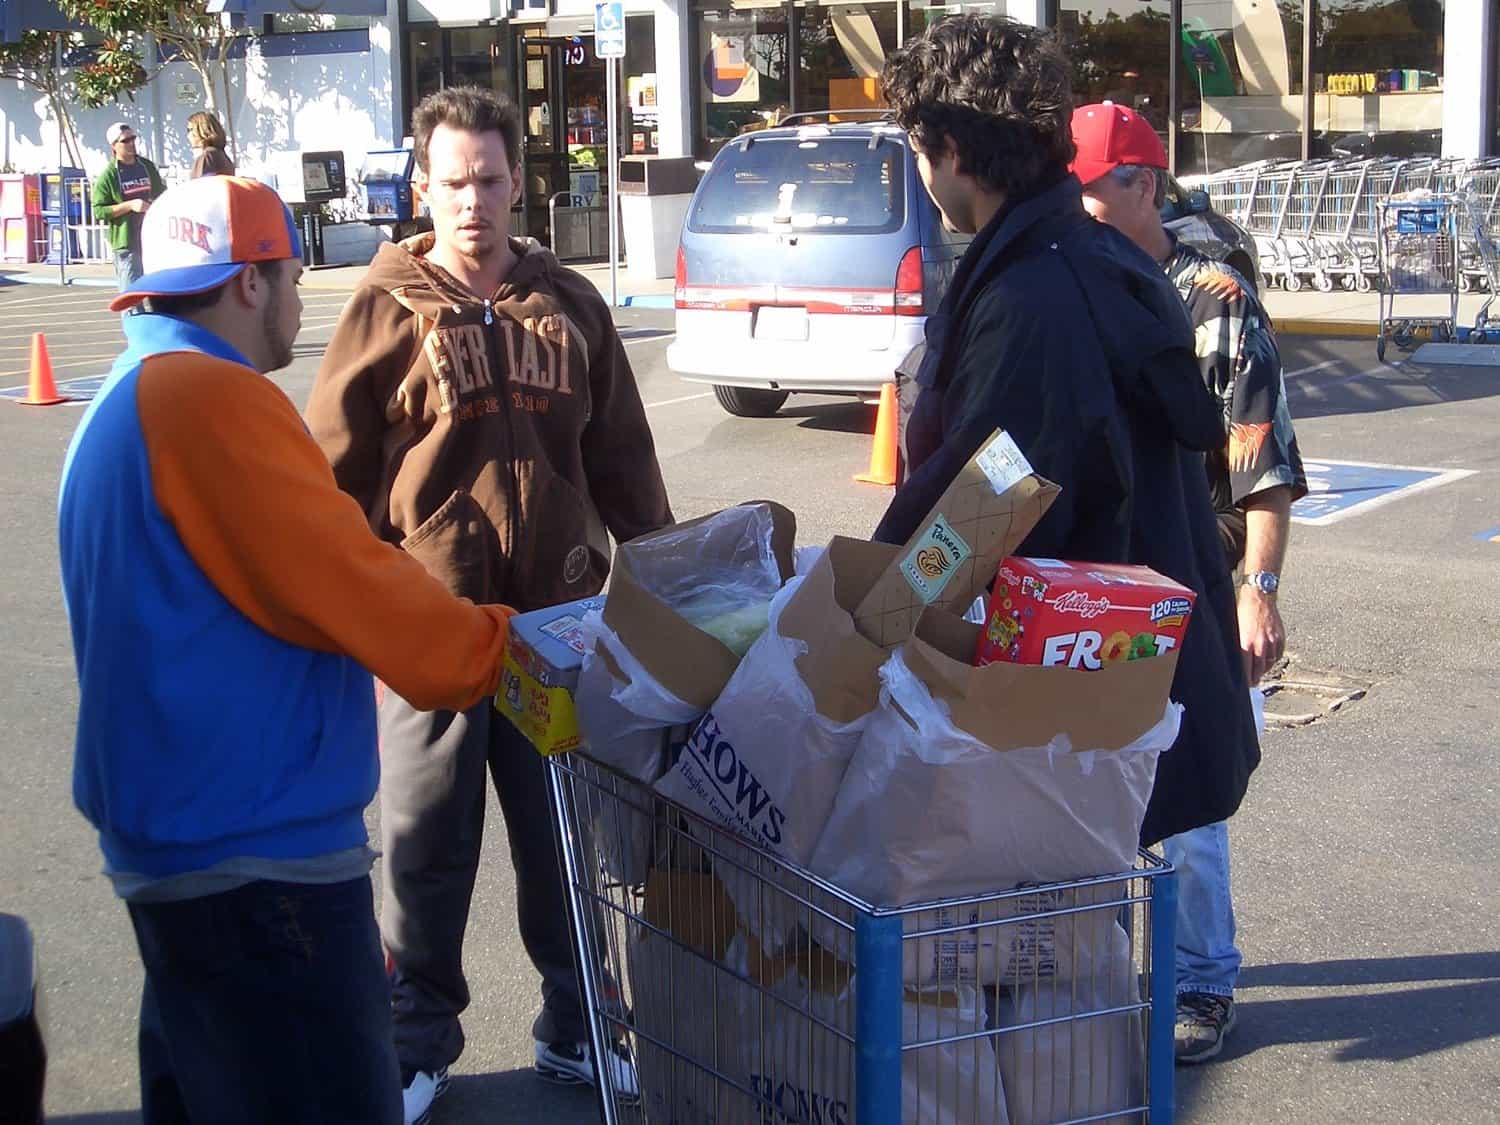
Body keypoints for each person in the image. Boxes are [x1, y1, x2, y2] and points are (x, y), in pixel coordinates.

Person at [57, 175, 519, 1125]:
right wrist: (494, 645)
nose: (304, 298)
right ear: (249, 282)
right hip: (258, 872)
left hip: (185, 856)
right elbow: (348, 578)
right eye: (294, 273)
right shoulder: (207, 400)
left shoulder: (124, 397)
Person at [305, 86, 673, 1125]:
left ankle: (577, 1026)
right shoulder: (383, 306)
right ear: (425, 186)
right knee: (424, 848)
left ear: (520, 184)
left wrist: (667, 587)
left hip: (556, 633)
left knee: (565, 838)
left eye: (492, 181)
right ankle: (414, 1047)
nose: (475, 202)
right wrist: (347, 611)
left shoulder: (570, 306)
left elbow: (626, 464)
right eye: (455, 182)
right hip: (428, 634)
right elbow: (329, 482)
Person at [875, 20, 1260, 861]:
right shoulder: (1098, 257)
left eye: (917, 147)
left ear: (953, 152)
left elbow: (985, 501)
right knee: (1090, 947)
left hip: (1068, 706)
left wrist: (874, 619)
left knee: (1050, 965)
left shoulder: (1032, 300)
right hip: (1128, 681)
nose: (921, 171)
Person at [1072, 101, 1308, 1064]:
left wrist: (1259, 588)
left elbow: (1266, 459)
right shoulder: (1079, 279)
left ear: (1143, 183)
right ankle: (1113, 967)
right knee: (1094, 793)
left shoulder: (1210, 297)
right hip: (1103, 584)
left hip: (1196, 583)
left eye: (1092, 191)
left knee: (1190, 792)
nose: (1078, 208)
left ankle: (1203, 978)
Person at [91, 121, 166, 294]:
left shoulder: (146, 166)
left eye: (133, 138)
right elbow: (99, 210)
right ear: (114, 146)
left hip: (151, 239)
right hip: (128, 243)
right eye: (125, 141)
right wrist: (130, 205)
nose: (131, 143)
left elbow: (161, 193)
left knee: (157, 291)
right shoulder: (109, 175)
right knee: (132, 295)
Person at [187, 111, 235, 178]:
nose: (188, 135)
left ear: (201, 130)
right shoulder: (224, 157)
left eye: (189, 130)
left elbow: (199, 186)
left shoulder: (206, 158)